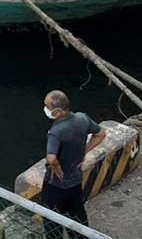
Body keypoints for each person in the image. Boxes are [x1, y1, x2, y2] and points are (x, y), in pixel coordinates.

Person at [38, 90, 105, 236]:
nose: (45, 109)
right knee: (77, 216)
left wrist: (56, 167)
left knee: (51, 220)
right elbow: (100, 134)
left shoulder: (56, 132)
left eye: (47, 107)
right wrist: (83, 153)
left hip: (55, 185)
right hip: (75, 181)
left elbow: (51, 159)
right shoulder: (82, 118)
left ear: (58, 111)